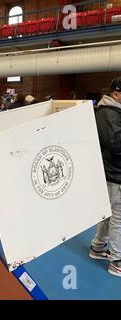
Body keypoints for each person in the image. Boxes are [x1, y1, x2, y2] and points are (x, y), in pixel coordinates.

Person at [89, 77, 121, 277]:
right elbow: (115, 144)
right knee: (118, 216)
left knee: (109, 213)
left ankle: (98, 247)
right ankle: (117, 260)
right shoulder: (110, 113)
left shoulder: (109, 112)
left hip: (110, 171)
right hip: (115, 172)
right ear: (116, 94)